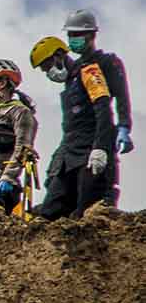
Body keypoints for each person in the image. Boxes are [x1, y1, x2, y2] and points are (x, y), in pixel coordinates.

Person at [30, 34, 116, 219]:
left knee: (88, 210)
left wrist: (100, 148)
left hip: (89, 153)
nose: (48, 73)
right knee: (50, 211)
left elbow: (103, 109)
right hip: (69, 156)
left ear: (59, 55)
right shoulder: (69, 85)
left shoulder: (89, 72)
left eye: (47, 66)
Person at [62, 9, 133, 206]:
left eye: (78, 34)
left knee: (96, 196)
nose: (73, 39)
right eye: (70, 35)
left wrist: (124, 126)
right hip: (76, 140)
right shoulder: (75, 69)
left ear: (92, 35)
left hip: (99, 134)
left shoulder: (107, 62)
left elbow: (121, 96)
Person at [0, 59, 38, 214]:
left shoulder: (20, 112)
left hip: (2, 185)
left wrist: (8, 177)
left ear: (2, 83)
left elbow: (23, 147)